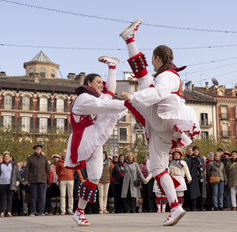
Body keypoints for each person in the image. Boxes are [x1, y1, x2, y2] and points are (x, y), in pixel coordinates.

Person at [120, 19, 200, 226]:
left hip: (163, 117)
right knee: (157, 168)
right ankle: (175, 207)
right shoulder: (165, 75)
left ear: (157, 58)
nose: (152, 64)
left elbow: (158, 92)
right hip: (160, 129)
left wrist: (133, 98)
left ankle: (130, 39)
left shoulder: (168, 75)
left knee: (144, 79)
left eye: (153, 60)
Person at [64, 56, 127, 226]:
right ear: (89, 83)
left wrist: (112, 68)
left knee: (95, 176)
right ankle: (79, 211)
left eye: (102, 82)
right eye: (98, 82)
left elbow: (109, 92)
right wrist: (130, 103)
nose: (101, 84)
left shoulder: (95, 98)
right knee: (108, 107)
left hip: (92, 137)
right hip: (84, 137)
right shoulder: (84, 98)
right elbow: (104, 105)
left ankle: (79, 212)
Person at [0, 151, 22, 217]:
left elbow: (17, 174)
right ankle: (3, 211)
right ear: (3, 158)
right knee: (3, 198)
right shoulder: (0, 165)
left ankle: (9, 211)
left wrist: (21, 181)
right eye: (5, 157)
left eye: (7, 156)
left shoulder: (13, 165)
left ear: (10, 158)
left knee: (10, 198)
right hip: (2, 183)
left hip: (10, 184)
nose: (6, 158)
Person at [24, 145, 49, 216]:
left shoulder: (44, 158)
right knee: (33, 196)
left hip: (42, 179)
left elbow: (47, 169)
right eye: (37, 148)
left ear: (41, 150)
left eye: (39, 148)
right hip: (33, 180)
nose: (38, 149)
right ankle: (32, 211)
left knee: (41, 196)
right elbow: (27, 169)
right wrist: (26, 179)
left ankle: (41, 211)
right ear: (34, 149)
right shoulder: (30, 158)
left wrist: (47, 180)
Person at [186, 146, 206, 211]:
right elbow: (188, 169)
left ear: (198, 151)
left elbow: (203, 168)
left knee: (202, 192)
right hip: (194, 177)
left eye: (196, 150)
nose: (195, 151)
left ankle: (201, 206)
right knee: (194, 192)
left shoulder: (201, 159)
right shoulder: (190, 159)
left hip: (201, 177)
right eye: (194, 150)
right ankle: (193, 206)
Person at [56, 149, 75, 215]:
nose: (65, 153)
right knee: (62, 195)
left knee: (70, 195)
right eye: (64, 152)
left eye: (66, 152)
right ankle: (63, 210)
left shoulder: (71, 160)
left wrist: (81, 178)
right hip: (62, 179)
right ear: (62, 153)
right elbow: (57, 171)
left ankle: (70, 209)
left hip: (70, 179)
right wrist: (61, 175)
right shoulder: (59, 161)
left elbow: (76, 169)